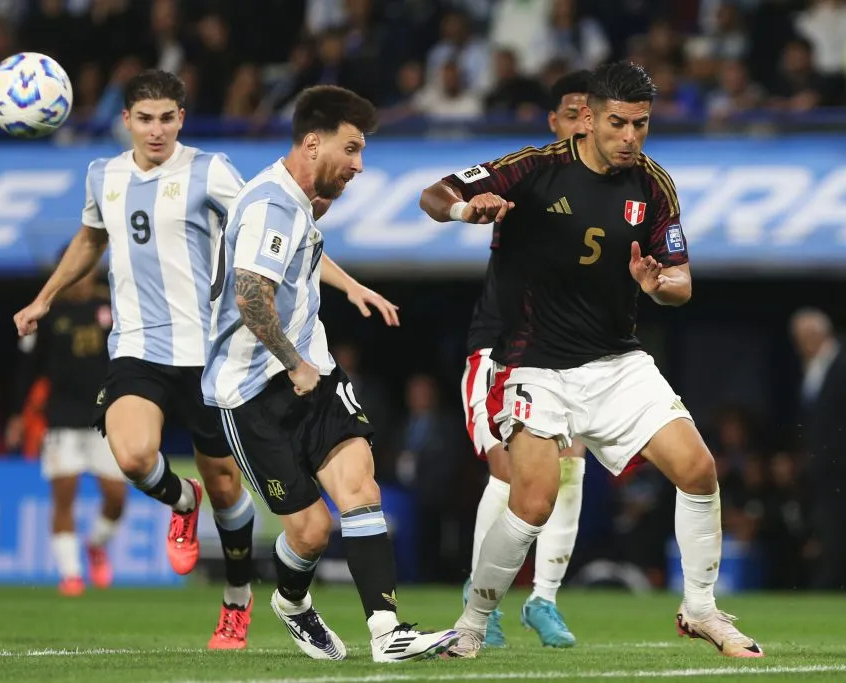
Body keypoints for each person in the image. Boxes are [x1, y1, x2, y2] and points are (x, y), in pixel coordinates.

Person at [421, 61, 762, 659]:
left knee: (699, 469)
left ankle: (701, 609)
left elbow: (680, 281)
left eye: (641, 124)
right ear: (586, 121)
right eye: (618, 123)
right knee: (532, 500)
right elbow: (435, 193)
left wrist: (658, 284)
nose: (631, 137)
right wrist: (463, 211)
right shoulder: (533, 169)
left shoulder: (654, 186)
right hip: (537, 363)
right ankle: (473, 624)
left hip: (617, 361)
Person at [202, 84, 459, 663]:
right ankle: (292, 602)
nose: (360, 166)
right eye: (352, 149)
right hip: (248, 392)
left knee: (361, 488)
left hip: (311, 373)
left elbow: (306, 249)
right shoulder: (271, 203)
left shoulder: (295, 200)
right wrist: (293, 362)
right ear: (313, 143)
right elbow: (250, 296)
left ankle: (389, 632)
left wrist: (352, 287)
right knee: (312, 531)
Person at [13, 70, 257, 649]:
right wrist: (44, 298)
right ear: (126, 120)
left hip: (207, 354)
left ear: (181, 119)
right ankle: (181, 498)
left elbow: (265, 226)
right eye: (145, 119)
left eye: (167, 118)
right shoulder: (104, 175)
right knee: (130, 454)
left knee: (227, 490)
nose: (156, 130)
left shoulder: (210, 170)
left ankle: (236, 605)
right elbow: (91, 240)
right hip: (137, 346)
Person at [438, 69, 591, 649]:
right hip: (500, 351)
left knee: (570, 471)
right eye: (571, 112)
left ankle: (543, 600)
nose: (582, 123)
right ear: (555, 122)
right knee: (510, 471)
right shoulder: (529, 174)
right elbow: (443, 191)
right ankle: (484, 599)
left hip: (566, 357)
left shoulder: (617, 188)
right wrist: (473, 205)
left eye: (589, 112)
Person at [7, 267, 126, 597]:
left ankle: (96, 545)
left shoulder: (113, 306)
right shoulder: (48, 313)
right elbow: (28, 367)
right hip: (61, 418)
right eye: (74, 275)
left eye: (84, 273)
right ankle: (71, 575)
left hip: (104, 417)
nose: (81, 280)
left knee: (116, 498)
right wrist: (18, 413)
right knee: (64, 498)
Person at [789, 307, 846, 590]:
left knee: (835, 537)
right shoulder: (814, 368)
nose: (799, 345)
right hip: (825, 474)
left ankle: (826, 591)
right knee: (828, 534)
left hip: (840, 472)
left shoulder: (841, 363)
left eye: (801, 338)